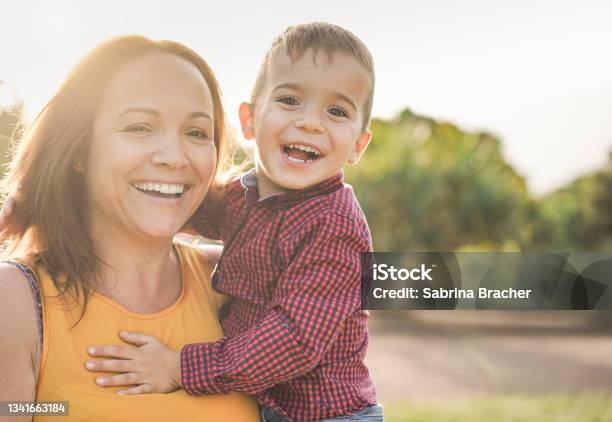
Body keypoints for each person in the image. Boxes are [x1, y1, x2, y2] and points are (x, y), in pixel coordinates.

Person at [85, 23, 384, 421]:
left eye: (336, 111)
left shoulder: (334, 226)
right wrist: (50, 200)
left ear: (358, 146)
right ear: (249, 120)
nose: (311, 122)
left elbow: (291, 342)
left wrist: (178, 366)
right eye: (290, 99)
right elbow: (176, 199)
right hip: (263, 404)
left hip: (325, 415)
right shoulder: (244, 198)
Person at [0, 35, 259, 421]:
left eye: (197, 132)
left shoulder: (234, 278)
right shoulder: (15, 299)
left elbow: (373, 279)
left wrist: (336, 213)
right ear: (78, 152)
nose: (174, 157)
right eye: (139, 127)